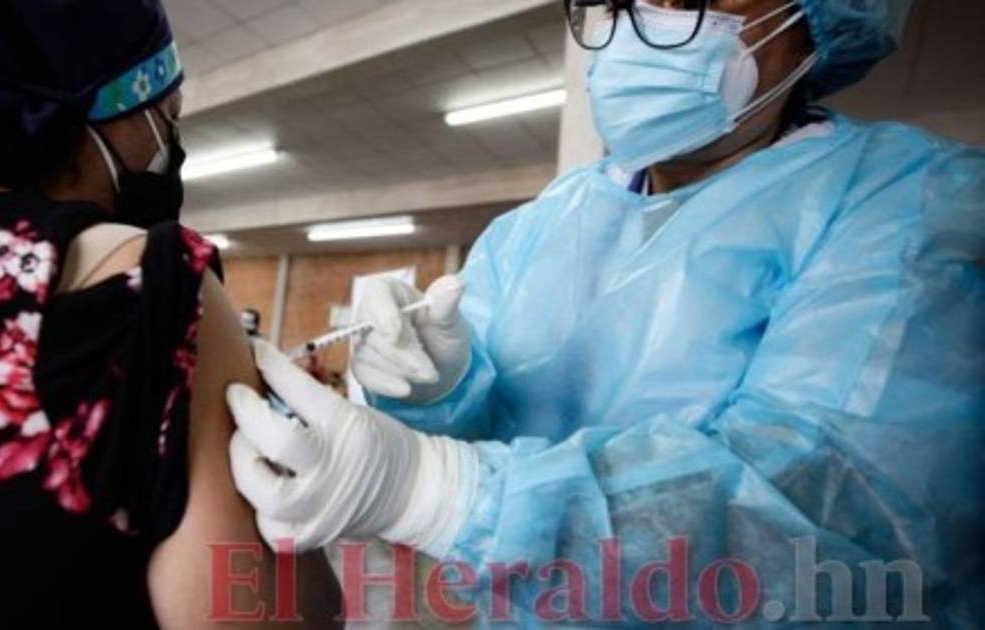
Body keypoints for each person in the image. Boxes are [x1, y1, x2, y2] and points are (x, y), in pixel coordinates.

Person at [226, 0, 984, 625]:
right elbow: (497, 431)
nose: (647, 25)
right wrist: (440, 395)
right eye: (621, 3)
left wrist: (441, 493)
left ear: (814, 22)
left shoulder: (906, 205)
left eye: (697, 0)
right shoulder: (543, 223)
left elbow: (836, 518)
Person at [0, 1, 339, 627]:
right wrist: (315, 506)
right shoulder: (148, 293)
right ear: (90, 112)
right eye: (166, 115)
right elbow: (263, 616)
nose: (168, 140)